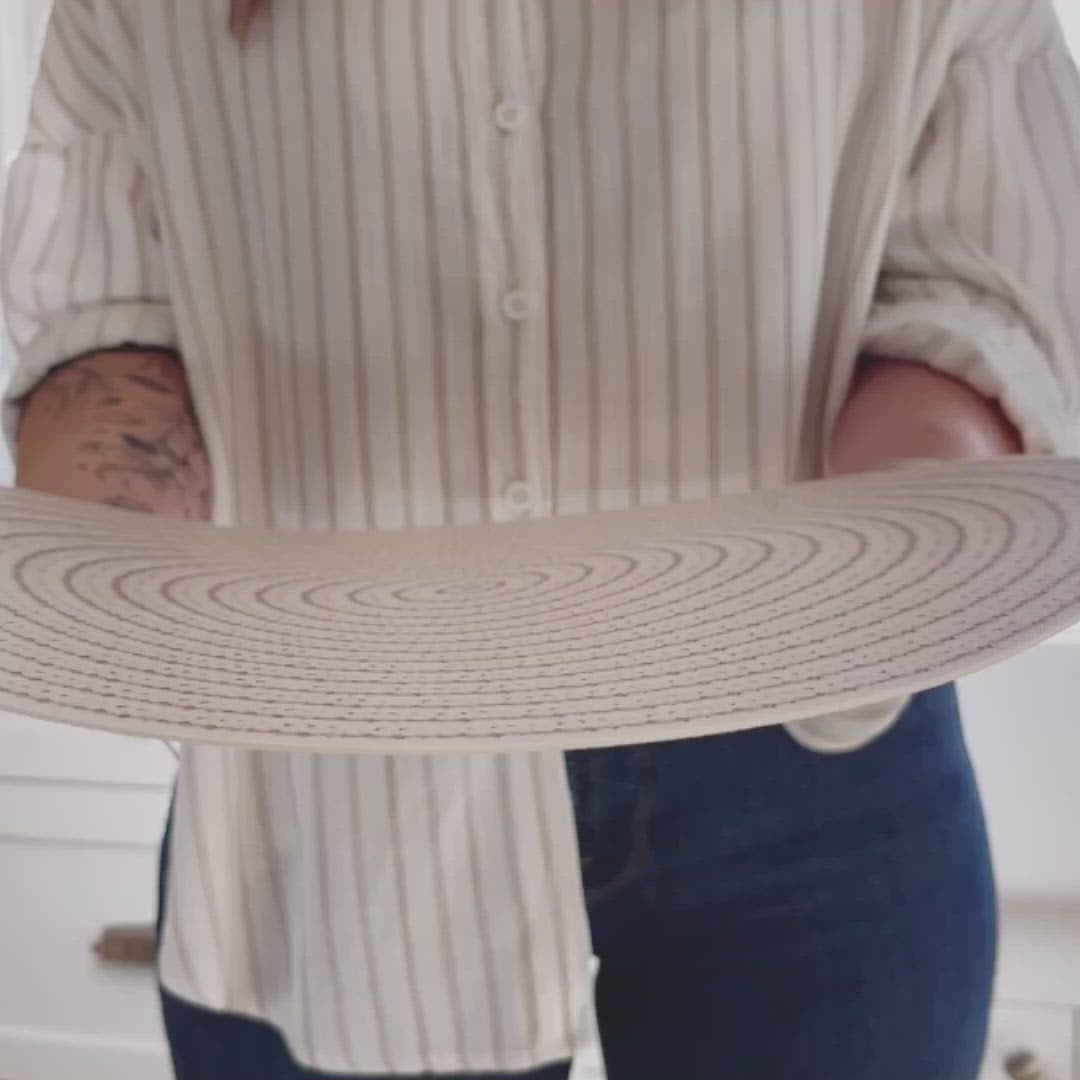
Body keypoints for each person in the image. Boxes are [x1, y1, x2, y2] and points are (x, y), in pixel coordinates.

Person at [4, 1, 1079, 1077]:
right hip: (330, 769)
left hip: (815, 730)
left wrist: (913, 495)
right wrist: (120, 578)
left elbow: (994, 276)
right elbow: (96, 303)